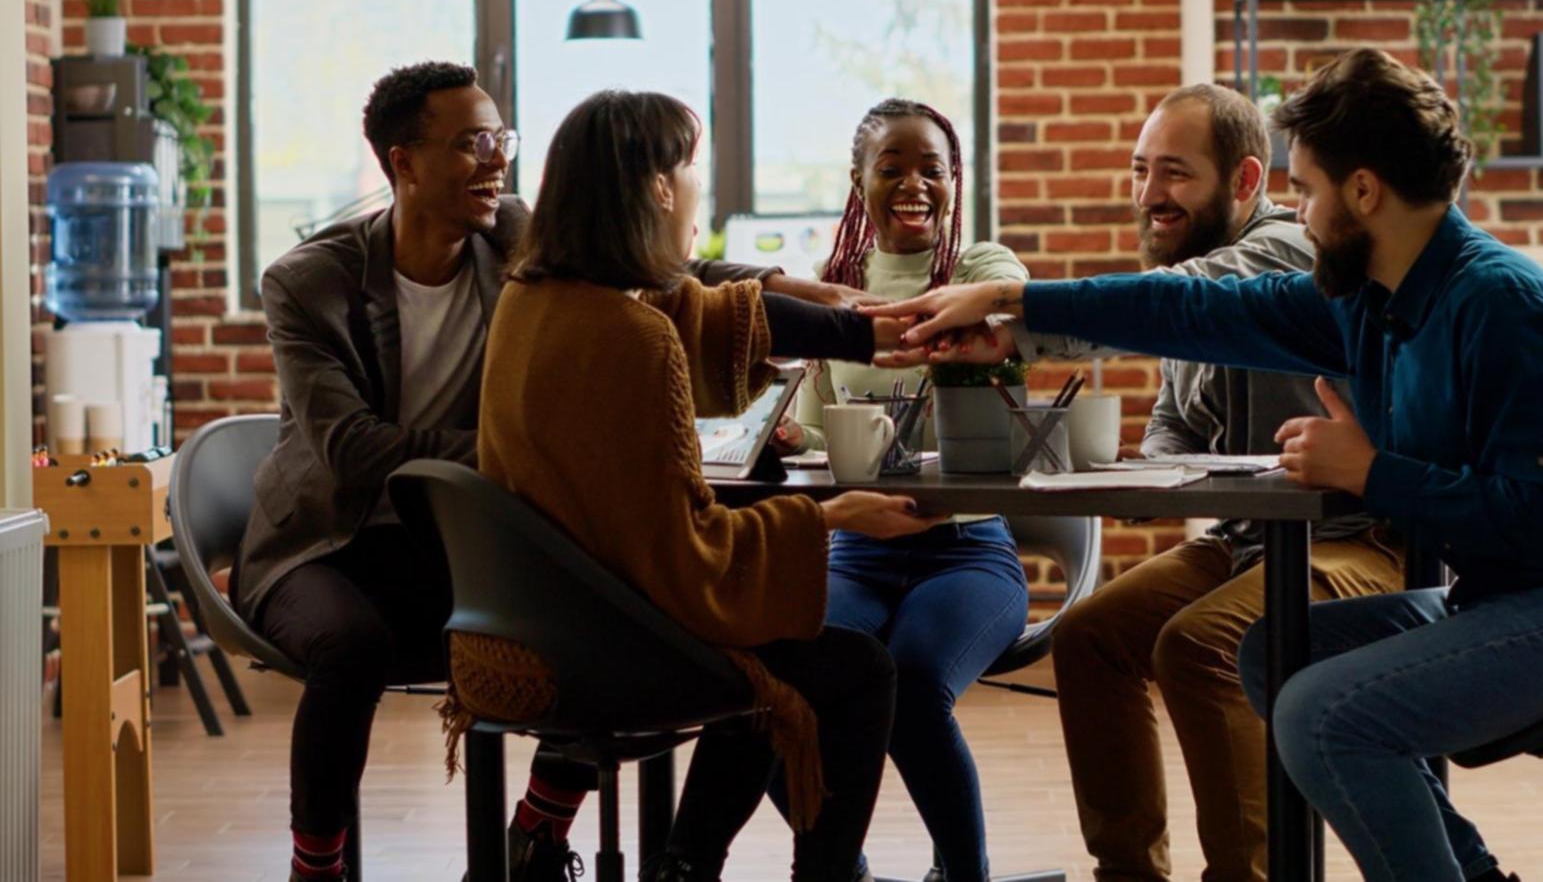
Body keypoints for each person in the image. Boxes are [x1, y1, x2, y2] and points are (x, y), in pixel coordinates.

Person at [869, 47, 1543, 882]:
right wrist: (1014, 311)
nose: (1297, 215)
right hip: (1514, 593)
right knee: (1273, 654)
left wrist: (1370, 472)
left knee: (1321, 712)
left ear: (1363, 192)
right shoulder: (1370, 298)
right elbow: (1193, 307)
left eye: (1304, 190)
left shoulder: (1498, 305)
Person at [237, 62, 890, 882]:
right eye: (472, 142)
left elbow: (627, 260)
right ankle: (317, 864)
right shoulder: (310, 280)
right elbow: (352, 449)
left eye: (501, 139)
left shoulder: (515, 235)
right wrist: (542, 445)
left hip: (460, 526)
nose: (495, 160)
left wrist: (773, 285)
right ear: (402, 162)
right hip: (334, 531)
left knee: (584, 576)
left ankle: (541, 827)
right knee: (353, 647)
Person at [911, 83, 1402, 882]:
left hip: (1362, 539)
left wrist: (1015, 310)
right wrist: (1144, 462)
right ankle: (1128, 872)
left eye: (1173, 173)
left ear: (1246, 181)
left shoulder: (1281, 253)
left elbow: (1185, 303)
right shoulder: (1186, 271)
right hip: (1253, 539)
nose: (1148, 195)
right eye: (1140, 170)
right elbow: (1173, 422)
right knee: (1089, 635)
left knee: (1200, 645)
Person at [470, 88, 945, 882]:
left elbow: (702, 310)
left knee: (773, 639)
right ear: (660, 188)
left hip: (533, 621)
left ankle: (685, 865)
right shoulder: (634, 337)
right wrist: (829, 517)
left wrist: (858, 325)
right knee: (852, 669)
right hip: (603, 647)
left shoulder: (534, 298)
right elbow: (687, 550)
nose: (701, 189)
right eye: (695, 168)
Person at [773, 99, 1030, 882]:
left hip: (967, 549)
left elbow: (1013, 297)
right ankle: (840, 866)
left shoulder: (978, 266)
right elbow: (823, 436)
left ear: (955, 182)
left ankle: (962, 874)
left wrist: (906, 325)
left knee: (914, 687)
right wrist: (794, 437)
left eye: (933, 169)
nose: (915, 183)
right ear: (859, 181)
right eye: (892, 168)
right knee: (779, 684)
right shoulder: (829, 291)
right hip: (855, 548)